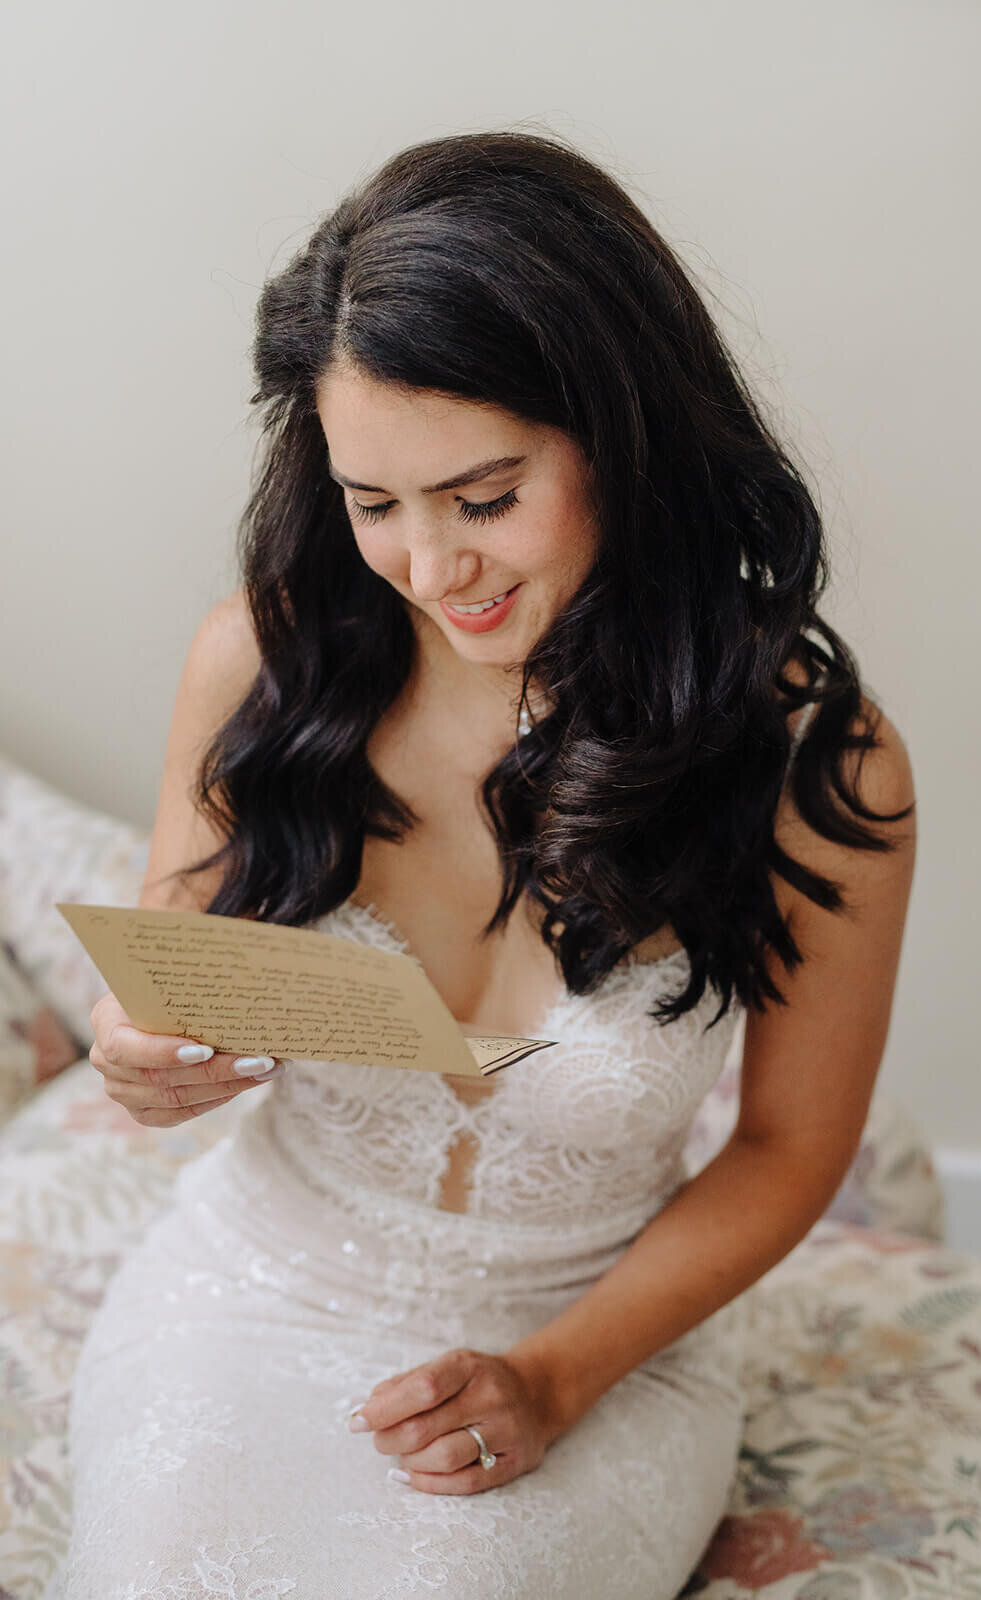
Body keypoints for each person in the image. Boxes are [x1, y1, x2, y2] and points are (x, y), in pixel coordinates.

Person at [46, 128, 916, 1599]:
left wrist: (554, 1381)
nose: (430, 571)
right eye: (371, 504)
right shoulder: (268, 662)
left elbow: (789, 1149)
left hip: (591, 1340)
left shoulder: (816, 762)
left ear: (621, 432)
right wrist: (145, 1052)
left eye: (484, 496)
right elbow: (174, 958)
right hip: (255, 1291)